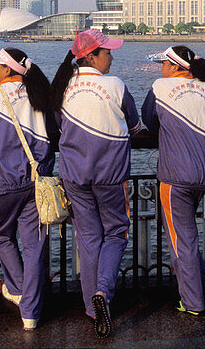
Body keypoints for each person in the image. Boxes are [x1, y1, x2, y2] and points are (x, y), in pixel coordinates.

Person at [50, 29, 139, 338]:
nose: (111, 57)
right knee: (115, 233)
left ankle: (91, 307)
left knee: (88, 239)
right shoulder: (115, 85)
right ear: (91, 56)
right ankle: (103, 292)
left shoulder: (63, 86)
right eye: (107, 52)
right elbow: (135, 123)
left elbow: (59, 125)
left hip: (74, 173)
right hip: (110, 174)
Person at [0, 48, 56, 330]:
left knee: (1, 236)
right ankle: (30, 312)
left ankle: (18, 291)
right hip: (37, 181)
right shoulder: (39, 93)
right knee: (34, 246)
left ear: (8, 70)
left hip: (2, 182)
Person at [141, 46, 205, 316]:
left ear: (175, 67)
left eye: (164, 63)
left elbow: (150, 120)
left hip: (176, 177)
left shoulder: (161, 87)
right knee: (187, 234)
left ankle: (192, 302)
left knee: (181, 240)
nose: (161, 68)